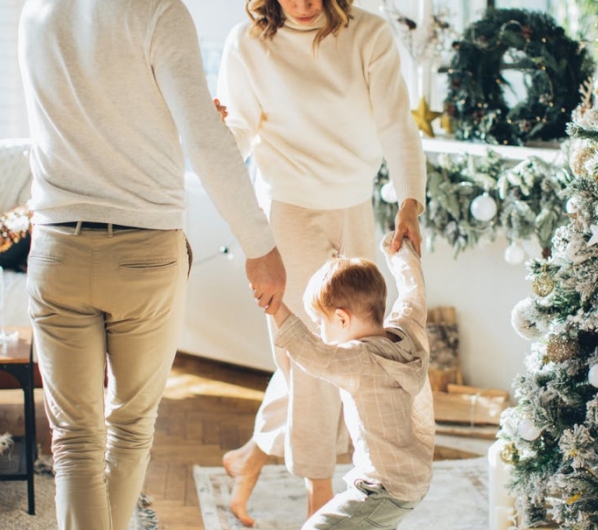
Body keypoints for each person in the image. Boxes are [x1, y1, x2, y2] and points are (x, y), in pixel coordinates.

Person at [17, 1, 285, 529]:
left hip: (58, 248)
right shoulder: (159, 11)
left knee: (74, 440)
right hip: (145, 250)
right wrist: (260, 245)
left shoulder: (36, 13)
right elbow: (205, 141)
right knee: (130, 428)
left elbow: (70, 119)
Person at [216, 0, 427, 525]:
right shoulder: (248, 43)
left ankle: (252, 456)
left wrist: (409, 200)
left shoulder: (369, 35)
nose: (304, 5)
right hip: (288, 210)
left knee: (356, 344)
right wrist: (213, 130)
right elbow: (238, 131)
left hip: (355, 202)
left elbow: (396, 123)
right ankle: (320, 489)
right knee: (314, 360)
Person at [269, 232, 434, 529]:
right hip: (412, 477)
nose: (320, 333)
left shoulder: (360, 360)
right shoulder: (406, 333)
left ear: (343, 319)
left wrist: (276, 308)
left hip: (382, 489)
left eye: (321, 323)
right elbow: (413, 294)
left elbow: (314, 355)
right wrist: (400, 253)